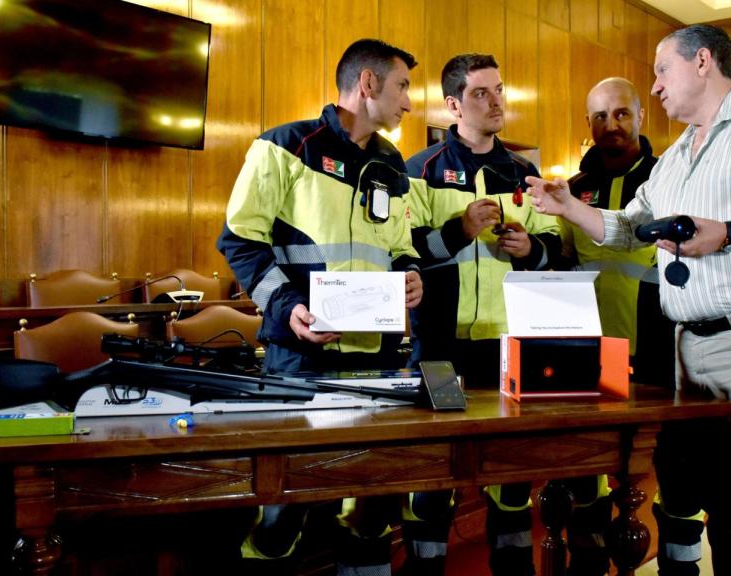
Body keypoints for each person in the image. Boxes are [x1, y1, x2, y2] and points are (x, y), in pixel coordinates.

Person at [526, 24, 731, 576]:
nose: (654, 88)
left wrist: (729, 231)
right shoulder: (675, 158)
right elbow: (633, 227)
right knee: (727, 515)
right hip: (691, 354)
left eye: (660, 70)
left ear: (702, 62)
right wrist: (569, 208)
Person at [218, 38, 423, 575]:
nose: (409, 101)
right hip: (300, 358)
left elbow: (398, 245)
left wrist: (411, 275)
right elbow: (240, 241)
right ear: (368, 83)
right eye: (403, 86)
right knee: (285, 508)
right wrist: (286, 308)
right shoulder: (284, 146)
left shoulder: (391, 162)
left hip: (376, 360)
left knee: (373, 507)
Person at [403, 53, 562, 576]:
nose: (496, 102)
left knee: (511, 475)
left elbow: (557, 247)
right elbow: (400, 251)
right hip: (440, 350)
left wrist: (529, 248)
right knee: (432, 479)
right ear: (453, 104)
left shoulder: (522, 172)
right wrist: (458, 231)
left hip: (507, 348)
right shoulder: (419, 170)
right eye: (480, 93)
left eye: (499, 91)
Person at [552, 77, 675, 576]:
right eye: (600, 117)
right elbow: (559, 266)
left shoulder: (670, 178)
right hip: (589, 358)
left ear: (641, 116)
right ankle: (586, 562)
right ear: (588, 124)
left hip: (657, 352)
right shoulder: (573, 191)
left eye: (621, 113)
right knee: (586, 478)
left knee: (666, 472)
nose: (612, 125)